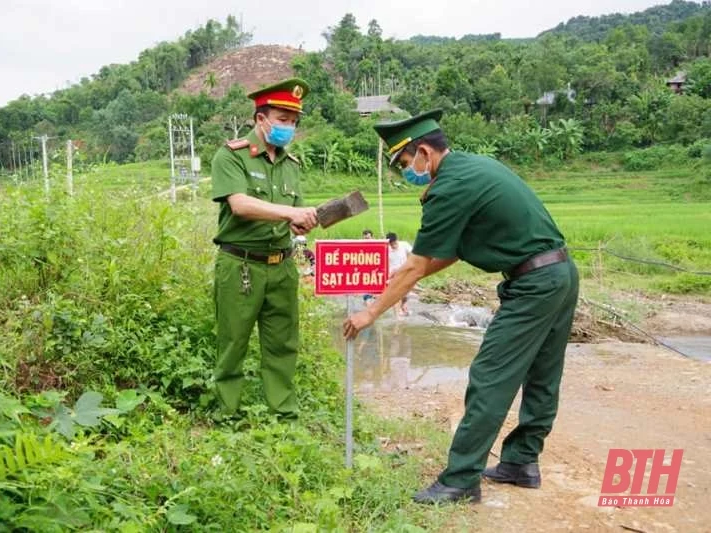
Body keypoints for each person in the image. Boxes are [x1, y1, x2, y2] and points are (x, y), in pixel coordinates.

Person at [343, 109, 579, 505]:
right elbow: (444, 255)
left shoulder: (448, 187)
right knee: (542, 373)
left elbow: (417, 264)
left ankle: (460, 479)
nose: (406, 175)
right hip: (560, 273)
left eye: (404, 164)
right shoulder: (473, 167)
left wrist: (370, 312)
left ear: (423, 152)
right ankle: (522, 462)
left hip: (534, 283)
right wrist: (400, 283)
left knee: (490, 374)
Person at [210, 78, 318, 419]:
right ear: (261, 119)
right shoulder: (231, 156)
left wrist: (300, 222)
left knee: (282, 343)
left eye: (294, 122)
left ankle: (283, 414)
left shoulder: (291, 165)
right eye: (282, 120)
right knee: (233, 341)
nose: (289, 127)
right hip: (241, 264)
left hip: (282, 265)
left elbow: (293, 214)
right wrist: (290, 212)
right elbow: (240, 204)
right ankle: (227, 412)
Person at [386, 232, 413, 317]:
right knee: (397, 295)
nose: (393, 246)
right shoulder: (386, 249)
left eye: (394, 243)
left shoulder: (404, 244)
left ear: (397, 240)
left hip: (405, 273)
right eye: (391, 244)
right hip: (393, 275)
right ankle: (397, 316)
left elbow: (413, 255)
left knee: (405, 296)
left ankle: (402, 306)